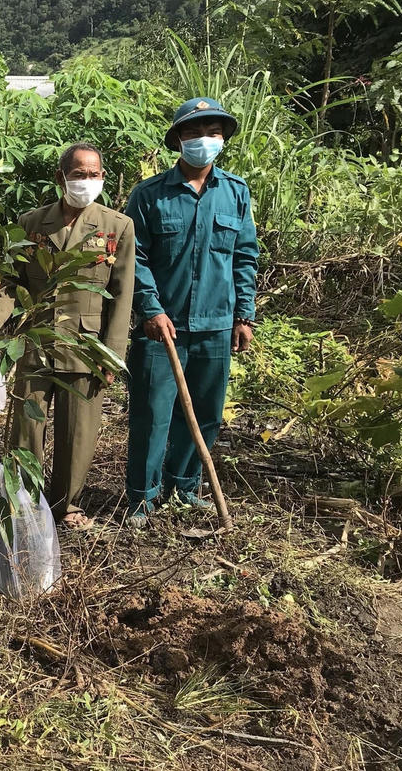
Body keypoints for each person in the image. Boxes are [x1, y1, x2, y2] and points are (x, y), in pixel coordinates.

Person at [123, 98, 259, 528]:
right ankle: (142, 498)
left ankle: (183, 487)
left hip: (216, 325)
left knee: (205, 413)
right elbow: (134, 258)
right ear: (178, 140)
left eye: (213, 132)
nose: (204, 140)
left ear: (223, 139)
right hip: (161, 329)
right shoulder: (149, 195)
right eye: (194, 132)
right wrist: (151, 309)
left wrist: (244, 315)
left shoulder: (235, 192)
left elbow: (245, 256)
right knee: (151, 415)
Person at [1, 143, 135, 531]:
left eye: (94, 174)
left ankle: (66, 504)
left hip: (86, 345)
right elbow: (12, 282)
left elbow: (122, 294)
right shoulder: (31, 223)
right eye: (79, 174)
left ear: (103, 177)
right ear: (61, 178)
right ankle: (23, 499)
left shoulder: (117, 226)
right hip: (36, 340)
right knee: (26, 428)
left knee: (78, 432)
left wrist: (112, 354)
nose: (86, 181)